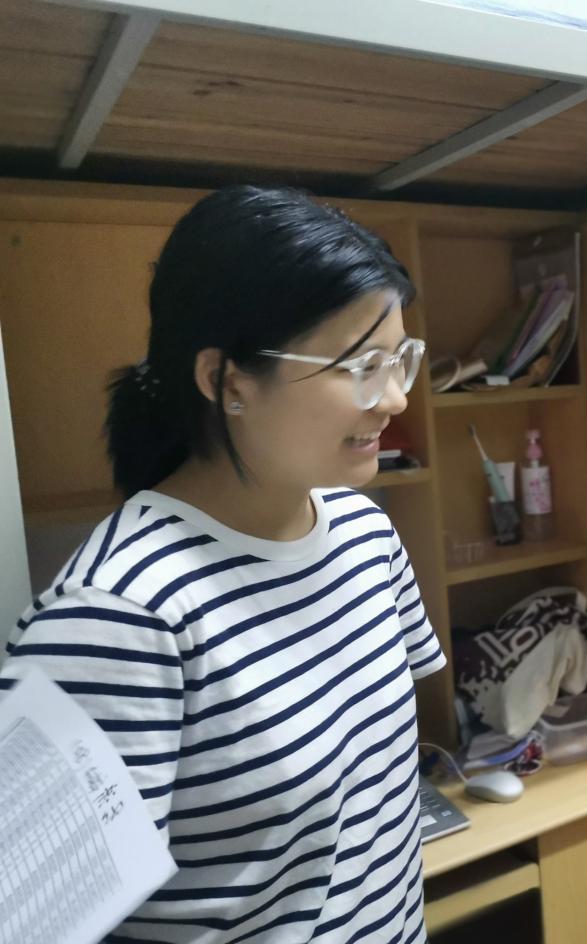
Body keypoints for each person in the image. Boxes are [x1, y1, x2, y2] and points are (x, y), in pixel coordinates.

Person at [0, 186, 444, 942]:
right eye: (360, 366)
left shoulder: (366, 533)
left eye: (400, 358)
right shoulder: (118, 617)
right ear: (227, 380)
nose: (396, 398)